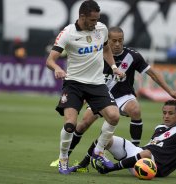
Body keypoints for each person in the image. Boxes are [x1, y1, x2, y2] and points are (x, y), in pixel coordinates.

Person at [50, 27, 176, 169]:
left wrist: (170, 91)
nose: (117, 44)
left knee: (135, 109)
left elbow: (152, 73)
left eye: (120, 40)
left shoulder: (133, 56)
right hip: (100, 95)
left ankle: (135, 151)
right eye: (113, 41)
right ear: (106, 40)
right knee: (82, 124)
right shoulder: (96, 54)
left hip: (123, 96)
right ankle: (64, 158)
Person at [46, 0, 125, 175]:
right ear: (82, 16)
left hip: (96, 84)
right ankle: (63, 159)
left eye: (97, 19)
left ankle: (98, 151)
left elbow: (106, 50)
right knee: (70, 125)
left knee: (114, 116)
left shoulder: (102, 29)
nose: (95, 23)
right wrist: (58, 68)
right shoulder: (68, 33)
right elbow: (50, 60)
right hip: (74, 83)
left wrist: (114, 68)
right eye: (92, 20)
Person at [89, 100, 176, 181]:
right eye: (164, 113)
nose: (166, 116)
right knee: (106, 137)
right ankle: (87, 161)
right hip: (138, 153)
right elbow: (152, 146)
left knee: (147, 153)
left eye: (170, 113)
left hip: (153, 166)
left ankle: (110, 168)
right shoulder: (159, 127)